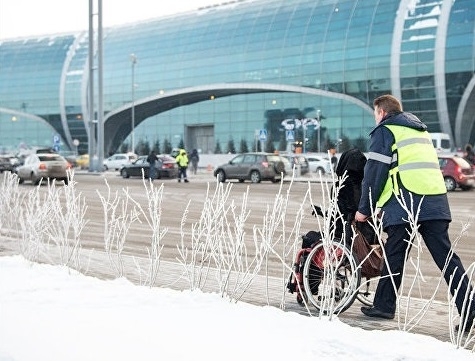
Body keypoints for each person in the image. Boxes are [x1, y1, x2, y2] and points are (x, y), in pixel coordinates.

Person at [355, 94, 475, 332]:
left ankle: (384, 306)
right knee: (446, 259)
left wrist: (364, 210)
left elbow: (375, 173)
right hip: (435, 201)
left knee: (394, 255)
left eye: (375, 114)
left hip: (405, 202)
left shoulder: (385, 131)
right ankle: (470, 307)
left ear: (381, 112)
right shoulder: (420, 131)